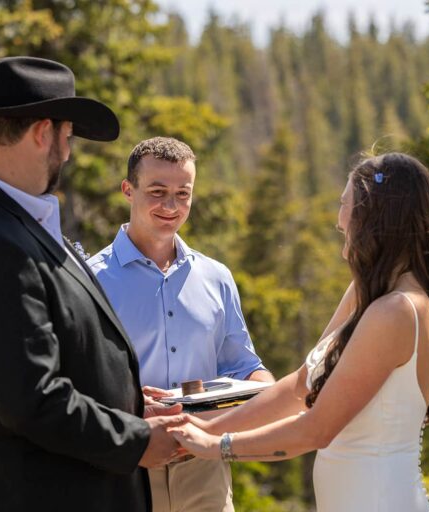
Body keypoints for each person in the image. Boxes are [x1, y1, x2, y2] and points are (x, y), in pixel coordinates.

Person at [0, 56, 187, 512]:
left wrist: (124, 400)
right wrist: (136, 440)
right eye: (67, 137)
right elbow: (31, 398)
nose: (67, 153)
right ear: (43, 133)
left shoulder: (5, 218)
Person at [170, 152, 429, 511]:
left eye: (345, 204)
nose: (340, 219)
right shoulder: (368, 294)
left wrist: (217, 446)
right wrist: (203, 427)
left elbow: (316, 429)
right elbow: (301, 384)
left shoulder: (395, 310)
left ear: (375, 218)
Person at [87, 136, 275, 512]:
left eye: (182, 194)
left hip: (206, 466)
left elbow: (243, 365)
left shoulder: (216, 277)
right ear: (128, 190)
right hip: (126, 467)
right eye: (157, 191)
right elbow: (81, 380)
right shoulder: (93, 281)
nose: (171, 206)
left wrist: (269, 390)